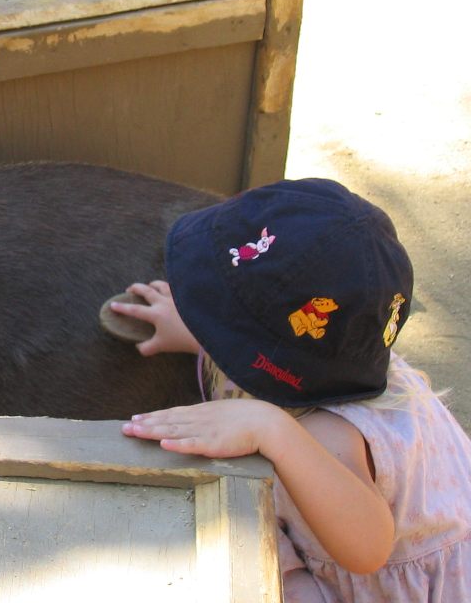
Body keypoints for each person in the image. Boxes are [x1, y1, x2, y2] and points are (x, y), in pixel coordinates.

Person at [109, 178, 471, 602]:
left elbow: (368, 549)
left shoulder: (328, 435)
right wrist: (201, 333)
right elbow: (278, 347)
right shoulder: (338, 353)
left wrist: (272, 429)